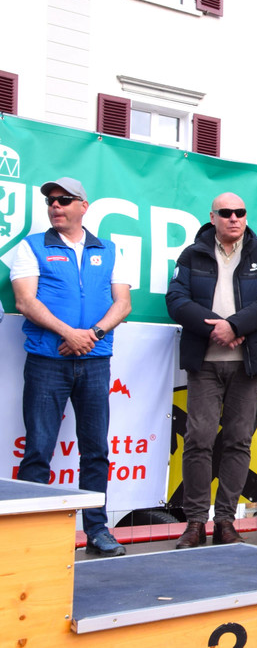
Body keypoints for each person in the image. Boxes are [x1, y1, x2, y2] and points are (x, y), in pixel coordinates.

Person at [10, 176, 132, 556]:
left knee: (95, 450)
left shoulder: (109, 250)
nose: (55, 206)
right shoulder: (31, 246)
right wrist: (69, 333)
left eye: (64, 200)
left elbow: (123, 304)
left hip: (94, 363)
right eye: (51, 201)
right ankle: (30, 537)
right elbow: (25, 301)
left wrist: (91, 335)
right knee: (38, 449)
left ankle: (97, 530)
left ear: (83, 206)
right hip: (48, 362)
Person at [165, 193, 257, 548]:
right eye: (226, 212)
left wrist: (234, 326)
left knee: (238, 440)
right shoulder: (192, 254)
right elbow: (176, 301)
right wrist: (217, 328)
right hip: (204, 362)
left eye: (240, 212)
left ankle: (225, 522)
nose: (234, 217)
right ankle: (194, 523)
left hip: (248, 363)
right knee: (198, 439)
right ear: (213, 216)